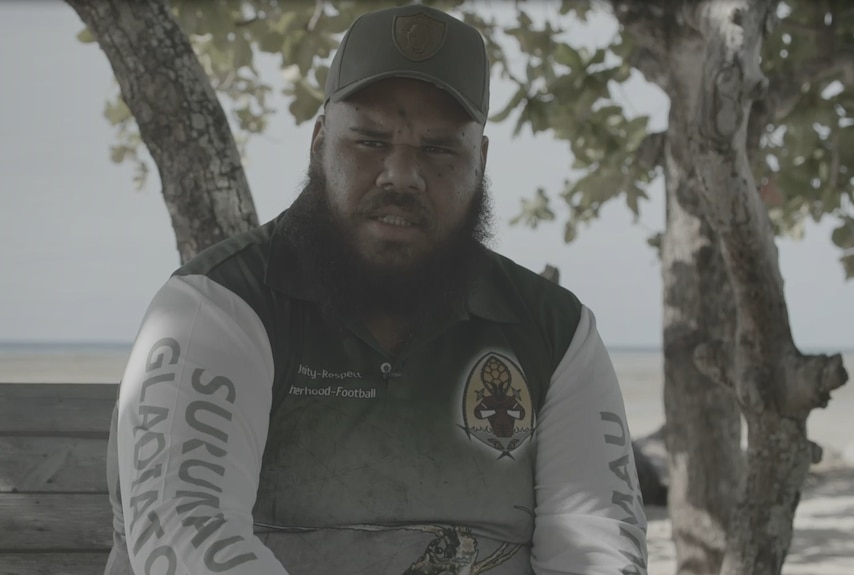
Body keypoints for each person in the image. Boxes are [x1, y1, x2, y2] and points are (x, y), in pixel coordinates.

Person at [104, 4, 647, 575]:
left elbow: (600, 546)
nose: (401, 175)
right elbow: (187, 532)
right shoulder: (217, 307)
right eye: (369, 141)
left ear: (480, 161)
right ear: (319, 142)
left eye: (438, 150)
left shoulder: (556, 333)